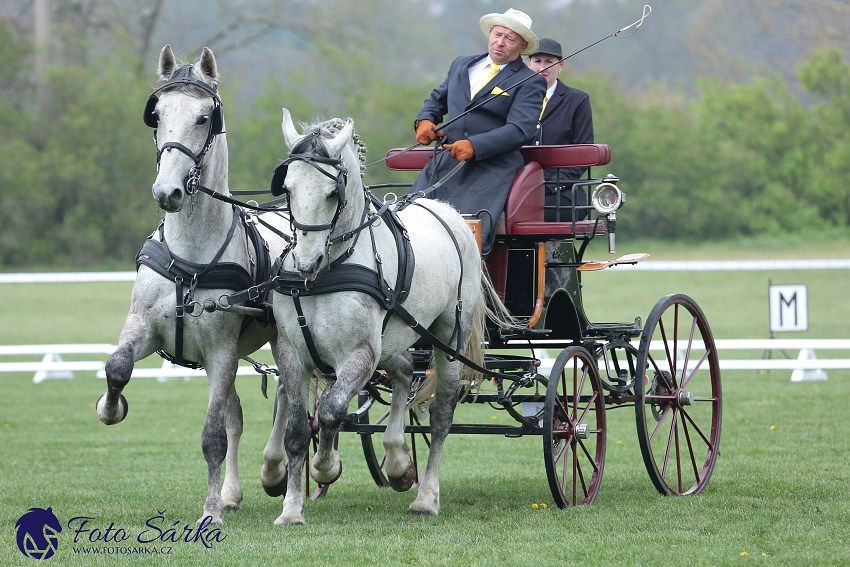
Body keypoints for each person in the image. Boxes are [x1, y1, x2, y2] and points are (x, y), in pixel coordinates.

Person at [410, 8, 546, 256]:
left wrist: (475, 145)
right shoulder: (461, 64)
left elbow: (520, 130)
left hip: (492, 167)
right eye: (497, 34)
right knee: (409, 221)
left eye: (510, 39)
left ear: (522, 45)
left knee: (466, 234)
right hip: (446, 162)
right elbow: (437, 99)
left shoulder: (530, 80)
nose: (500, 43)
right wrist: (425, 120)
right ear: (490, 34)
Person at [526, 38, 594, 221]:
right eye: (537, 61)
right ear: (528, 63)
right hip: (518, 189)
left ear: (561, 65)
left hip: (563, 193)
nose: (543, 68)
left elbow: (583, 154)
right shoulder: (514, 99)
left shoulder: (577, 101)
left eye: (550, 62)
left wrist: (548, 186)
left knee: (534, 214)